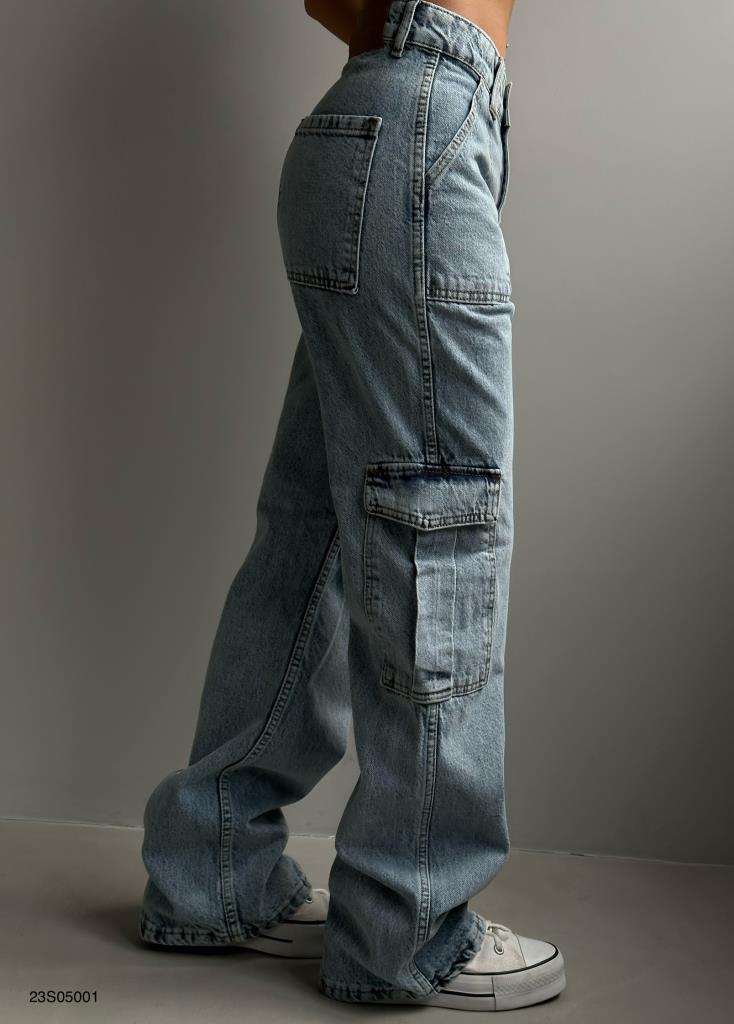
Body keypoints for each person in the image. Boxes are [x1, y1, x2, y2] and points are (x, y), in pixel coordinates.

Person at [137, 0, 566, 1011]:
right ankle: (407, 925)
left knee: (318, 532)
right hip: (423, 120)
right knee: (440, 528)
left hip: (382, 113)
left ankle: (215, 870)